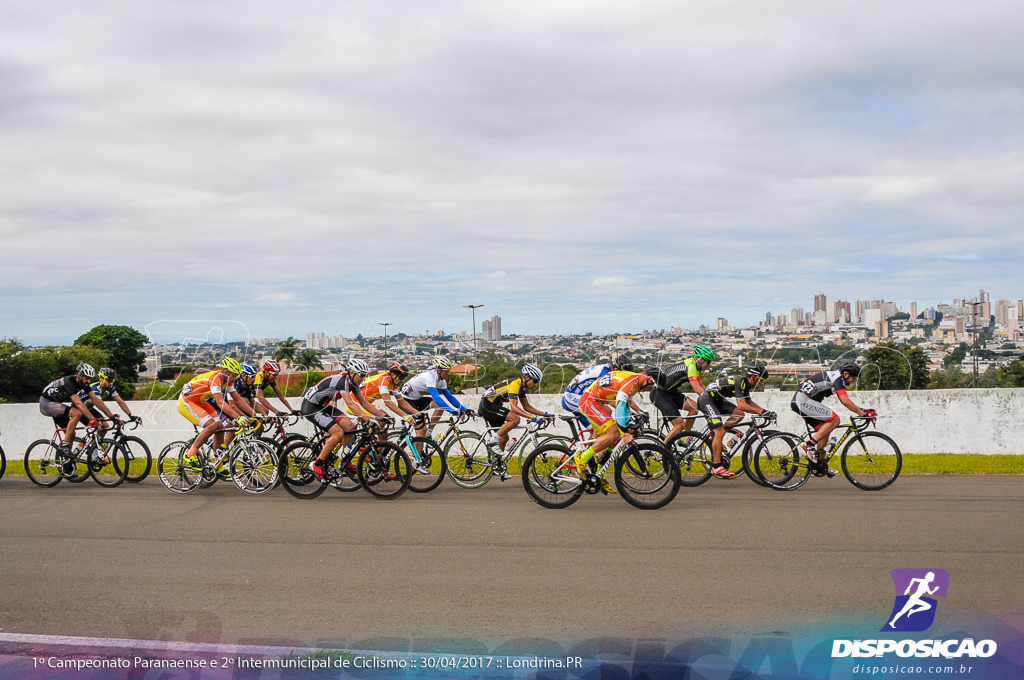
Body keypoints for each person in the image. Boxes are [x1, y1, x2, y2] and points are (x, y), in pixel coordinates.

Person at [299, 358, 395, 481]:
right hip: (311, 407)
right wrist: (367, 419)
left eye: (365, 375)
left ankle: (345, 461)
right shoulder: (342, 381)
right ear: (351, 373)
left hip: (324, 406)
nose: (363, 378)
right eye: (361, 375)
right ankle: (317, 464)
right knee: (338, 433)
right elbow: (350, 404)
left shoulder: (354, 383)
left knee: (350, 427)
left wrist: (382, 416)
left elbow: (365, 404)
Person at [573, 369, 656, 494]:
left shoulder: (635, 383)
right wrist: (625, 433)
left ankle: (599, 474)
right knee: (614, 433)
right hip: (590, 401)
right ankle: (582, 458)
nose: (650, 389)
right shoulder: (632, 381)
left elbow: (626, 408)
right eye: (652, 386)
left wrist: (629, 426)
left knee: (614, 440)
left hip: (596, 402)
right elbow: (620, 407)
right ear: (649, 378)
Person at [791, 358, 875, 469]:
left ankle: (821, 465)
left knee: (825, 431)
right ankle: (809, 445)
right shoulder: (838, 379)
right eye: (853, 377)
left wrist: (861, 410)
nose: (853, 381)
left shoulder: (836, 377)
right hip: (802, 401)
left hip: (801, 402)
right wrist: (862, 413)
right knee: (835, 420)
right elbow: (844, 400)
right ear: (845, 374)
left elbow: (847, 401)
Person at [696, 363, 776, 479]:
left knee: (739, 415)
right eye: (761, 380)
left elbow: (748, 403)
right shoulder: (740, 382)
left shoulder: (745, 385)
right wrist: (761, 412)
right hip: (707, 400)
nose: (762, 383)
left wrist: (765, 411)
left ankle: (717, 435)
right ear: (754, 376)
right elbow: (742, 405)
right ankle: (717, 467)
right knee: (719, 431)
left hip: (717, 400)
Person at [177, 358, 257, 474]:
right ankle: (190, 454)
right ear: (226, 372)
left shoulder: (228, 381)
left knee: (220, 427)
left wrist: (255, 414)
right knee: (212, 426)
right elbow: (220, 402)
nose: (236, 378)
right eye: (234, 375)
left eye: (237, 375)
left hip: (201, 402)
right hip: (187, 402)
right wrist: (238, 417)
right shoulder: (215, 378)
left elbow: (238, 399)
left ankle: (218, 464)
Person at [478, 364, 553, 478]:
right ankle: (492, 440)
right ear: (527, 377)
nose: (535, 384)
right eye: (535, 381)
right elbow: (514, 408)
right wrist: (532, 418)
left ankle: (498, 466)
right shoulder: (515, 384)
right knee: (515, 418)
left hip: (494, 406)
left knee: (504, 438)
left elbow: (527, 407)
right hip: (487, 405)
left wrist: (545, 414)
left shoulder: (522, 388)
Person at [647, 345, 716, 443]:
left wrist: (714, 395)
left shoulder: (693, 365)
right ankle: (660, 453)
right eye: (708, 362)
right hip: (660, 394)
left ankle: (684, 438)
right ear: (701, 359)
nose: (708, 365)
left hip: (670, 392)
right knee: (679, 425)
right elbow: (697, 389)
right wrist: (709, 401)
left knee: (694, 408)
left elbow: (702, 387)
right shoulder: (691, 366)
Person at [397, 357, 472, 437]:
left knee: (439, 407)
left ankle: (428, 433)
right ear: (439, 370)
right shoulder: (429, 377)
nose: (449, 373)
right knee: (421, 431)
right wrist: (453, 411)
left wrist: (464, 409)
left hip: (418, 399)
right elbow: (437, 398)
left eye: (449, 370)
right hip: (406, 402)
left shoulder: (441, 380)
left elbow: (450, 397)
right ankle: (420, 444)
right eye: (447, 371)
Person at [39, 362, 102, 453]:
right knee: (76, 413)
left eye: (90, 379)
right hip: (46, 403)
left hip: (56, 404)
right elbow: (78, 402)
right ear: (79, 376)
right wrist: (91, 418)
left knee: (71, 434)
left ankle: (67, 460)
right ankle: (65, 445)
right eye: (87, 378)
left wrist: (110, 415)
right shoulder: (69, 382)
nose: (89, 381)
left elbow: (96, 400)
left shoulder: (84, 384)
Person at [560, 355, 633, 429]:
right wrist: (627, 412)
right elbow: (609, 400)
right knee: (606, 412)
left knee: (596, 430)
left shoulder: (608, 369)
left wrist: (639, 411)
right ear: (616, 369)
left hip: (578, 397)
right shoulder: (605, 374)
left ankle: (594, 440)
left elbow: (623, 396)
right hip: (571, 398)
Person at [79, 367, 141, 437]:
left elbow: (120, 401)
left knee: (105, 426)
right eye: (109, 380)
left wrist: (130, 415)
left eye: (112, 380)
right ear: (101, 379)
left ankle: (95, 447)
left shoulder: (110, 388)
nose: (111, 383)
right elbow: (99, 403)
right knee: (97, 425)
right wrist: (111, 416)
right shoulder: (94, 388)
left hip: (89, 409)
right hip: (79, 409)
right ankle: (86, 446)